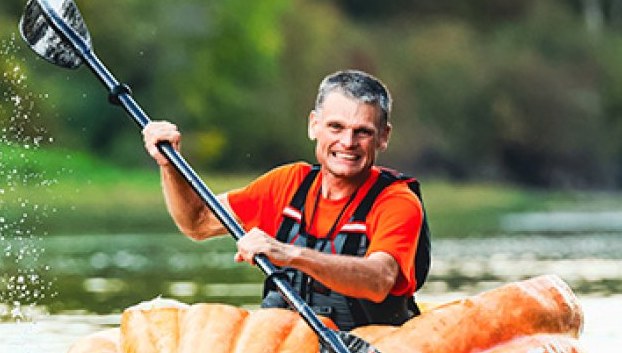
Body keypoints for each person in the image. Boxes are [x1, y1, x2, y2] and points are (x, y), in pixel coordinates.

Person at [141, 70, 427, 330]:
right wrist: (170, 165)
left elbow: (380, 280)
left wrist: (289, 254)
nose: (348, 142)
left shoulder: (397, 202)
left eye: (363, 131)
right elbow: (197, 222)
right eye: (336, 127)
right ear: (314, 126)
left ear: (383, 137)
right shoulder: (287, 185)